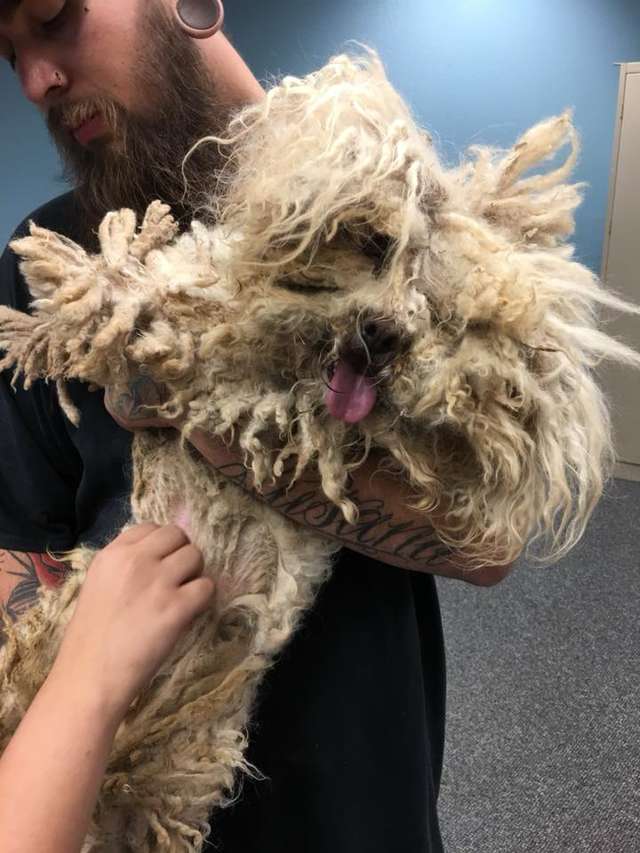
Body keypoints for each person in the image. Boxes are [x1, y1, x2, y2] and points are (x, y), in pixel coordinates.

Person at [0, 2, 514, 851]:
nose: (34, 80)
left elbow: (492, 543)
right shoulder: (47, 268)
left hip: (359, 806)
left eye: (56, 17)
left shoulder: (391, 219)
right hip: (129, 807)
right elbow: (15, 544)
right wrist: (82, 674)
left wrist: (214, 425)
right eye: (9, 53)